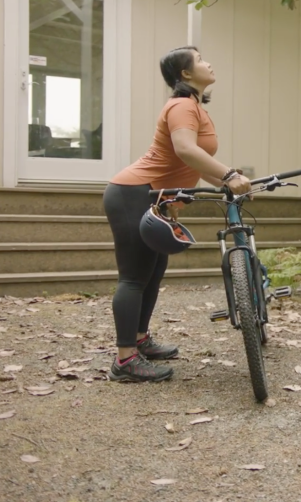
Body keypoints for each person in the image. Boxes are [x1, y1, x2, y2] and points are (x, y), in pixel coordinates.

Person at [103, 46, 251, 382]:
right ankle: (125, 361)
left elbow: (192, 160)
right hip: (134, 193)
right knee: (134, 276)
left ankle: (139, 340)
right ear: (185, 74)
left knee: (153, 272)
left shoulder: (195, 107)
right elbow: (185, 149)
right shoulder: (183, 105)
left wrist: (228, 182)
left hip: (155, 197)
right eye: (200, 60)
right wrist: (228, 174)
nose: (208, 62)